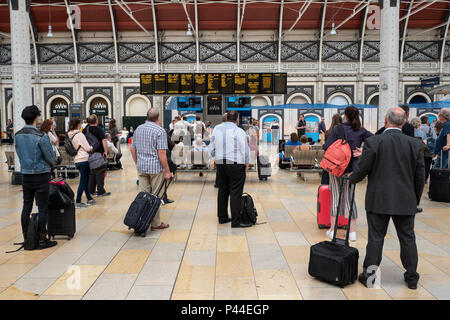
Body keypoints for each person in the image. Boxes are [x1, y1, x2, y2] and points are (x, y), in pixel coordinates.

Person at [349, 107, 425, 290]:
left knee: (376, 238)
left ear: (385, 121)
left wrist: (350, 178)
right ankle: (412, 277)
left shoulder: (373, 142)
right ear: (404, 122)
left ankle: (370, 276)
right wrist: (414, 199)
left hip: (378, 199)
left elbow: (362, 170)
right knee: (408, 238)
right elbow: (420, 176)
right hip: (405, 200)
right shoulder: (415, 144)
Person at [323, 106, 373, 242]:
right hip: (352, 170)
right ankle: (352, 233)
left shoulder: (338, 129)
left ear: (345, 116)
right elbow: (375, 142)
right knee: (349, 198)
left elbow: (327, 147)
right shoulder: (361, 131)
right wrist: (362, 152)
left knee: (335, 196)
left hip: (336, 168)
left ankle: (332, 230)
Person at [15, 105, 57, 249]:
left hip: (26, 175)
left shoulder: (18, 135)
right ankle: (41, 239)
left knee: (26, 206)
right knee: (43, 207)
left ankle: (27, 237)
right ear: (36, 118)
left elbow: (20, 154)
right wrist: (54, 163)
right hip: (41, 175)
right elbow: (50, 157)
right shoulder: (41, 136)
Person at [130, 108, 172, 231]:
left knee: (143, 195)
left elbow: (132, 149)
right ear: (158, 117)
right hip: (155, 168)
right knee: (156, 196)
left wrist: (137, 162)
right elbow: (161, 152)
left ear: (147, 116)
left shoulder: (138, 129)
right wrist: (167, 170)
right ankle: (155, 223)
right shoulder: (160, 131)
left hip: (142, 167)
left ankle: (142, 220)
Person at [209, 111, 250, 228]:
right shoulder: (239, 131)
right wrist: (246, 162)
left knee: (222, 190)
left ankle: (222, 218)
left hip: (221, 163)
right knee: (235, 192)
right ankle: (236, 221)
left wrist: (215, 158)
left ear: (226, 118)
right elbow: (244, 149)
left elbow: (211, 146)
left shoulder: (217, 128)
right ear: (237, 119)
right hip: (235, 164)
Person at [68, 118, 96, 208]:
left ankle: (89, 198)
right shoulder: (80, 134)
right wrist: (92, 147)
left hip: (77, 159)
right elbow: (87, 148)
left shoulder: (70, 134)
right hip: (83, 159)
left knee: (85, 180)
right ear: (78, 124)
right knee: (83, 181)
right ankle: (78, 201)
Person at [83, 115, 111, 197]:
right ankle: (100, 191)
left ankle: (91, 190)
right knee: (100, 171)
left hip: (89, 153)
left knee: (91, 172)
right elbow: (104, 140)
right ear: (96, 121)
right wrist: (105, 151)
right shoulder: (99, 129)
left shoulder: (85, 130)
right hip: (99, 153)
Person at [321, 114, 343, 185]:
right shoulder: (344, 132)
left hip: (329, 159)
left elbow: (326, 146)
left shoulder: (328, 132)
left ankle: (326, 194)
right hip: (340, 159)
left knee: (326, 181)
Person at [411, 117, 433, 183]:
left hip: (411, 152)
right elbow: (425, 143)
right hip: (420, 152)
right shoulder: (421, 133)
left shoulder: (410, 132)